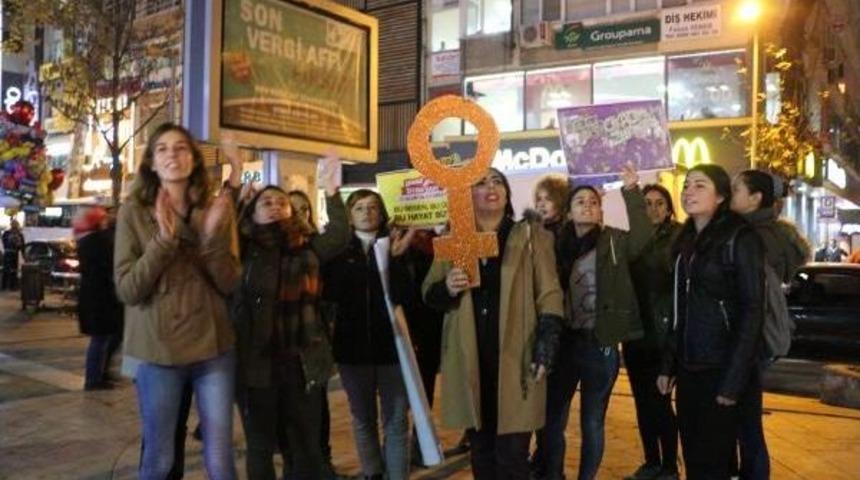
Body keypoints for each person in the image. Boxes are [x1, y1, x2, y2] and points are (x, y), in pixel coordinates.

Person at [114, 122, 241, 480]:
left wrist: (213, 239)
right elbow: (128, 289)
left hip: (214, 348)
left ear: (194, 159)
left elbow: (230, 283)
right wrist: (163, 241)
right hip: (159, 350)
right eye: (163, 149)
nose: (173, 155)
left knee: (221, 458)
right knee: (160, 457)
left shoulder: (215, 209)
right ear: (151, 163)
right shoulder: (133, 213)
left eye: (182, 147)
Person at [422, 168, 564, 479]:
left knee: (512, 456)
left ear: (507, 194)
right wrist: (448, 286)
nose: (491, 187)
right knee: (482, 454)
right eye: (481, 182)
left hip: (516, 359)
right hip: (471, 360)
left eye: (497, 181)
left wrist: (546, 345)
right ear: (467, 195)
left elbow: (550, 293)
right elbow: (429, 294)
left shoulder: (531, 235)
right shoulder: (454, 240)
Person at [542, 166, 653, 480]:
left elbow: (643, 238)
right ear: (569, 211)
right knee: (552, 420)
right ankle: (553, 474)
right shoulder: (554, 244)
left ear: (601, 208)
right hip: (563, 344)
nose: (587, 205)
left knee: (592, 421)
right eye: (580, 202)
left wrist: (632, 190)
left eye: (592, 201)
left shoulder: (614, 241)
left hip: (599, 342)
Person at [232, 179, 347, 480]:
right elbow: (216, 237)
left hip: (301, 362)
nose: (274, 207)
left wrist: (333, 192)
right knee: (260, 446)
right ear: (251, 212)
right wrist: (234, 197)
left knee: (304, 444)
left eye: (280, 203)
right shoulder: (241, 249)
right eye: (265, 203)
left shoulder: (306, 249)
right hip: (257, 365)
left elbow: (338, 234)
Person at [658, 164, 765, 480]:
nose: (688, 191)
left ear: (721, 196)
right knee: (693, 455)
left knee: (716, 461)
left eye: (699, 185)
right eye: (687, 185)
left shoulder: (739, 238)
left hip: (722, 369)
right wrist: (668, 364)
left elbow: (752, 310)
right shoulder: (685, 242)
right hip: (690, 369)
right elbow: (679, 311)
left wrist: (733, 381)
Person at [323, 189, 410, 480]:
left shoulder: (397, 246)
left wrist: (394, 261)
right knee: (362, 419)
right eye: (359, 207)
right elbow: (333, 294)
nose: (367, 213)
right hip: (352, 352)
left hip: (393, 350)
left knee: (396, 420)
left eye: (373, 207)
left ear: (382, 212)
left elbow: (405, 297)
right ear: (349, 215)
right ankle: (373, 473)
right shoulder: (338, 254)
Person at [730, 170, 809, 480]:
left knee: (745, 423)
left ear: (755, 198)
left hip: (752, 338)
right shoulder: (770, 233)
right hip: (760, 339)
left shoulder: (755, 236)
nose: (730, 194)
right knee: (746, 422)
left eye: (736, 189)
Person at [287, 188, 351, 478]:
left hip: (312, 340)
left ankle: (321, 466)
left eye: (304, 209)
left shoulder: (314, 248)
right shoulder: (266, 249)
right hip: (279, 345)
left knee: (317, 408)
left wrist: (334, 193)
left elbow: (339, 232)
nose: (298, 214)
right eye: (292, 208)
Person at [623, 184, 681, 480]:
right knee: (642, 403)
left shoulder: (678, 238)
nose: (653, 209)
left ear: (670, 208)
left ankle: (669, 465)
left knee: (660, 403)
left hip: (663, 336)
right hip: (636, 334)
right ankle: (651, 461)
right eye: (647, 203)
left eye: (660, 203)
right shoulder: (633, 239)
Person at [386, 224, 444, 468]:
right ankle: (394, 448)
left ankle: (421, 444)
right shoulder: (395, 240)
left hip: (431, 327)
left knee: (424, 389)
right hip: (400, 325)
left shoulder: (440, 241)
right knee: (396, 395)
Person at [527, 173, 570, 476]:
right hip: (535, 328)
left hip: (559, 331)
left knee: (553, 414)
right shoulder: (531, 232)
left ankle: (551, 470)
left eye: (548, 199)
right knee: (539, 409)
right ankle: (541, 462)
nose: (542, 205)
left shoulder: (565, 235)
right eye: (538, 199)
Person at [76, 206, 124, 390]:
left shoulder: (86, 241)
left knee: (101, 339)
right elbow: (110, 267)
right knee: (101, 339)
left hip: (91, 297)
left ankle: (97, 375)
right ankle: (94, 378)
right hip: (102, 298)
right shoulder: (102, 241)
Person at [2, 219, 24, 290]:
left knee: (14, 270)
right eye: (13, 224)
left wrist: (23, 254)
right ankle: (4, 286)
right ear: (11, 225)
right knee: (6, 270)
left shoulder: (20, 234)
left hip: (14, 253)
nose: (15, 226)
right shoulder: (6, 233)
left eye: (16, 224)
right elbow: (4, 242)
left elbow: (22, 246)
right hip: (8, 253)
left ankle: (12, 286)